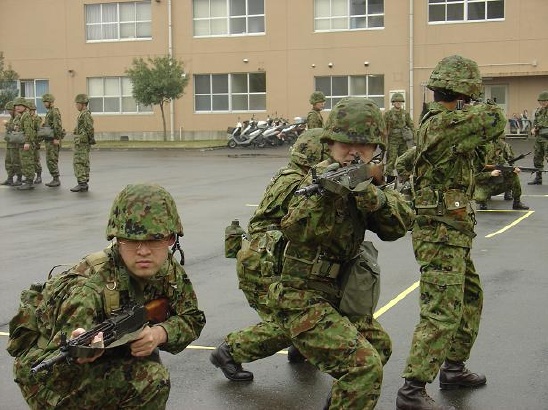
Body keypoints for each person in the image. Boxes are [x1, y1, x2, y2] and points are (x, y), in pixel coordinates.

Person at [267, 97, 415, 409]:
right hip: (302, 299)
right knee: (364, 367)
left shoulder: (369, 182)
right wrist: (328, 197)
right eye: (345, 144)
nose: (353, 152)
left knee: (380, 348)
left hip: (340, 297)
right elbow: (296, 228)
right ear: (330, 144)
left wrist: (369, 195)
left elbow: (397, 226)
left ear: (376, 149)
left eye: (364, 146)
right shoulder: (314, 181)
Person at [7, 183, 206, 409]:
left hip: (107, 357)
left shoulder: (167, 269)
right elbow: (61, 356)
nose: (143, 251)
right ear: (116, 239)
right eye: (130, 240)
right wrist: (82, 351)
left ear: (171, 239)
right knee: (150, 380)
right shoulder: (88, 290)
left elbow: (192, 318)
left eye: (154, 240)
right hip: (46, 378)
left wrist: (160, 333)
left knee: (145, 367)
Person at [396, 55, 506, 410]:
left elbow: (406, 162)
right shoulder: (443, 124)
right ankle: (412, 389)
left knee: (469, 296)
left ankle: (453, 367)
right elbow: (496, 118)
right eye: (471, 96)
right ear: (462, 95)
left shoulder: (442, 127)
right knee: (440, 310)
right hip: (440, 233)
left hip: (453, 231)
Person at [210, 128, 328, 381]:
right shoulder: (299, 183)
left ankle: (301, 348)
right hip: (265, 261)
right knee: (292, 320)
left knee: (308, 307)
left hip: (267, 256)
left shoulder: (293, 174)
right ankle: (229, 352)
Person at [474, 136, 529, 210]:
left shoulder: (499, 158)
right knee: (479, 197)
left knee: (514, 175)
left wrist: (514, 170)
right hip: (484, 187)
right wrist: (490, 174)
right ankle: (483, 202)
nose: (498, 153)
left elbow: (506, 166)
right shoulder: (479, 161)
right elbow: (474, 177)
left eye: (498, 152)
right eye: (496, 151)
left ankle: (517, 202)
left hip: (496, 186)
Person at [384, 92, 415, 183]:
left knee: (405, 159)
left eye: (400, 102)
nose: (398, 103)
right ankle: (389, 180)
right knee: (391, 160)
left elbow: (412, 126)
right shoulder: (388, 114)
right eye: (396, 102)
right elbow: (383, 128)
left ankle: (405, 178)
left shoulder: (405, 114)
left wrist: (415, 139)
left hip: (403, 140)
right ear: (392, 103)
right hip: (392, 140)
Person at [71, 93, 95, 192]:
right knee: (83, 161)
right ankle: (83, 182)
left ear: (83, 104)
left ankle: (82, 183)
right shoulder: (83, 114)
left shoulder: (85, 114)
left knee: (79, 162)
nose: (76, 105)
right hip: (81, 141)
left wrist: (90, 139)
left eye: (77, 103)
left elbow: (89, 128)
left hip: (82, 142)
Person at [12, 97, 37, 191]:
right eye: (16, 106)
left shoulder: (26, 116)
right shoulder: (21, 116)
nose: (17, 107)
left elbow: (28, 130)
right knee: (24, 162)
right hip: (22, 143)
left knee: (27, 162)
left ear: (24, 106)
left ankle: (29, 182)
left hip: (26, 143)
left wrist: (27, 142)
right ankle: (28, 180)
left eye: (19, 105)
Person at [42, 93, 64, 187]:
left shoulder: (54, 112)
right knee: (49, 159)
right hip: (49, 140)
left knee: (52, 159)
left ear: (50, 102)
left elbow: (57, 126)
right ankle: (54, 178)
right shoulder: (49, 112)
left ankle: (56, 179)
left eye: (45, 102)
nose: (44, 104)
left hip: (53, 140)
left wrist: (56, 138)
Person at [528, 91, 548, 185]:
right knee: (537, 158)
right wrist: (533, 128)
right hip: (539, 137)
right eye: (541, 101)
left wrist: (538, 127)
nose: (542, 103)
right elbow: (535, 123)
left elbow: (543, 123)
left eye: (545, 101)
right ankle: (538, 178)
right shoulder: (538, 111)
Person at [1, 100, 23, 186]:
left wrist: (7, 124)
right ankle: (10, 178)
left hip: (16, 144)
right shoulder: (12, 119)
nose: (8, 112)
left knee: (16, 162)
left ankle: (19, 178)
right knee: (8, 162)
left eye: (9, 110)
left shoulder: (18, 118)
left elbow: (16, 129)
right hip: (10, 143)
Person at [28, 100, 43, 184]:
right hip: (29, 142)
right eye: (30, 110)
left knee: (36, 160)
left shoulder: (37, 119)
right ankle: (30, 176)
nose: (31, 112)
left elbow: (39, 132)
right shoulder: (27, 118)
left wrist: (38, 142)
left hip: (35, 142)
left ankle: (39, 176)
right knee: (29, 160)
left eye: (32, 110)